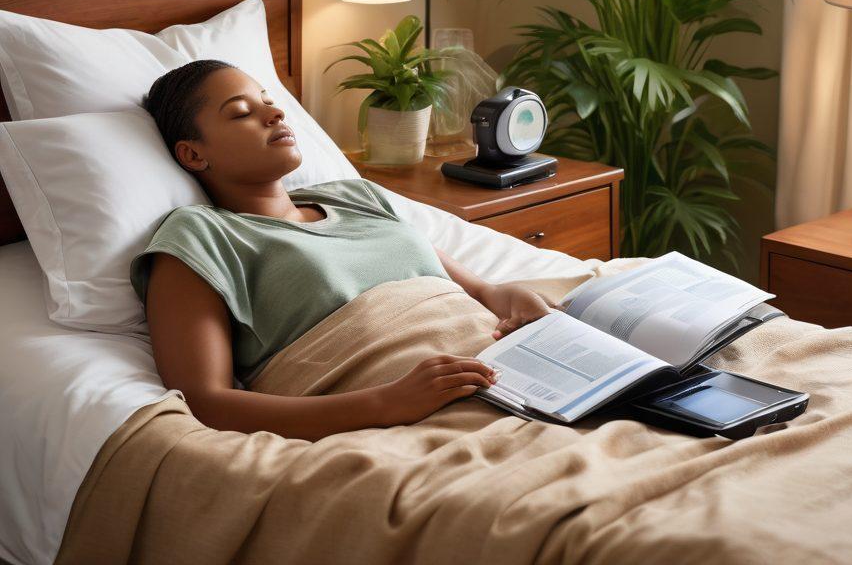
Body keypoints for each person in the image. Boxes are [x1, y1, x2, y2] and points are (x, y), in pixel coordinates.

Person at [131, 59, 557, 442]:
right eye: (242, 113)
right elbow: (207, 401)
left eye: (268, 100)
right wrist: (387, 403)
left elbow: (476, 290)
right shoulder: (200, 235)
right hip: (419, 411)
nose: (275, 113)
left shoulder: (354, 195)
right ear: (192, 154)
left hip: (522, 373)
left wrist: (512, 297)